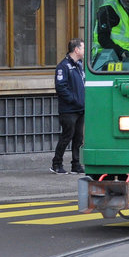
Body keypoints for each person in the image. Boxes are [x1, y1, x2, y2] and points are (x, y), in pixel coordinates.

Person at [52, 38, 85, 175]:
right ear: (76, 50)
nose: (85, 51)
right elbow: (61, 88)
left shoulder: (80, 65)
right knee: (67, 136)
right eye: (83, 48)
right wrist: (74, 100)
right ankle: (56, 164)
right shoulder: (63, 66)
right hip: (69, 110)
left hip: (80, 108)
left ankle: (76, 164)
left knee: (78, 138)